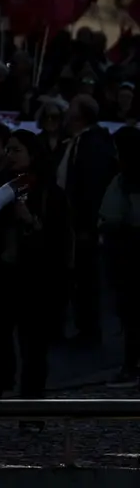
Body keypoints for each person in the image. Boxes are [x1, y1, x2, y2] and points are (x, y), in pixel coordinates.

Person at [0, 128, 72, 412]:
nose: (10, 155)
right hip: (2, 278)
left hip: (35, 281)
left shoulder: (51, 194)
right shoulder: (4, 186)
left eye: (17, 150)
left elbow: (59, 241)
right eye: (9, 150)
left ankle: (31, 415)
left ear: (33, 154)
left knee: (33, 351)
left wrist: (31, 222)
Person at [58, 95, 116, 345]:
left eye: (71, 107)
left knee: (86, 278)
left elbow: (91, 187)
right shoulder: (76, 142)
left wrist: (86, 224)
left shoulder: (92, 145)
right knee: (78, 277)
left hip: (83, 224)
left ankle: (89, 331)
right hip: (71, 221)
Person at [102, 126, 140, 384]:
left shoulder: (131, 182)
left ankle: (131, 363)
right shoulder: (122, 178)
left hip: (131, 252)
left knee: (132, 312)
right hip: (122, 252)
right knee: (128, 312)